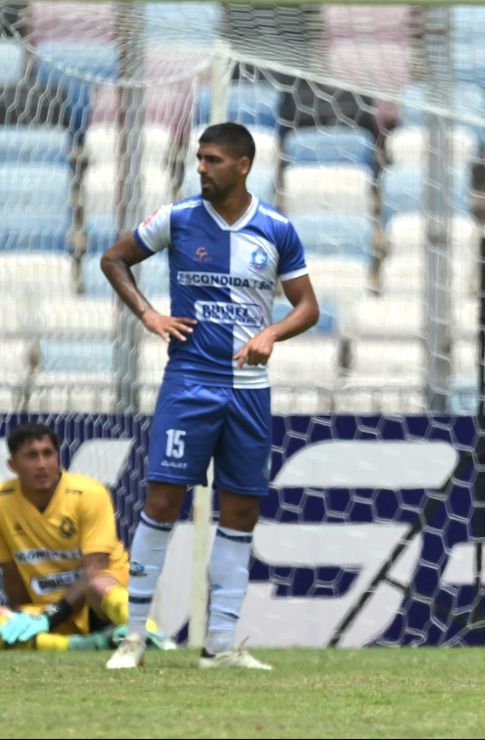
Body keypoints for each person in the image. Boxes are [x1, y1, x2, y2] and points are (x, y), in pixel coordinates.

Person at [101, 122, 320, 670]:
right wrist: (149, 313)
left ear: (243, 165)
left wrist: (271, 333)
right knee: (162, 502)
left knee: (242, 509)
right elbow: (114, 258)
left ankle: (219, 645)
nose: (201, 167)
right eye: (199, 158)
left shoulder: (276, 229)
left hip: (248, 391)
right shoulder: (177, 218)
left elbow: (307, 306)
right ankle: (132, 639)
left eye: (213, 159)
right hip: (190, 383)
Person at [0, 423, 160, 652]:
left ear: (58, 456)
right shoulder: (3, 502)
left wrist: (51, 616)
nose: (42, 464)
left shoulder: (88, 493)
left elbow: (95, 569)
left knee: (98, 583)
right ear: (12, 464)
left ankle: (146, 632)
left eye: (48, 453)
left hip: (97, 606)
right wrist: (23, 616)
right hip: (47, 609)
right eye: (31, 456)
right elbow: (11, 575)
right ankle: (85, 645)